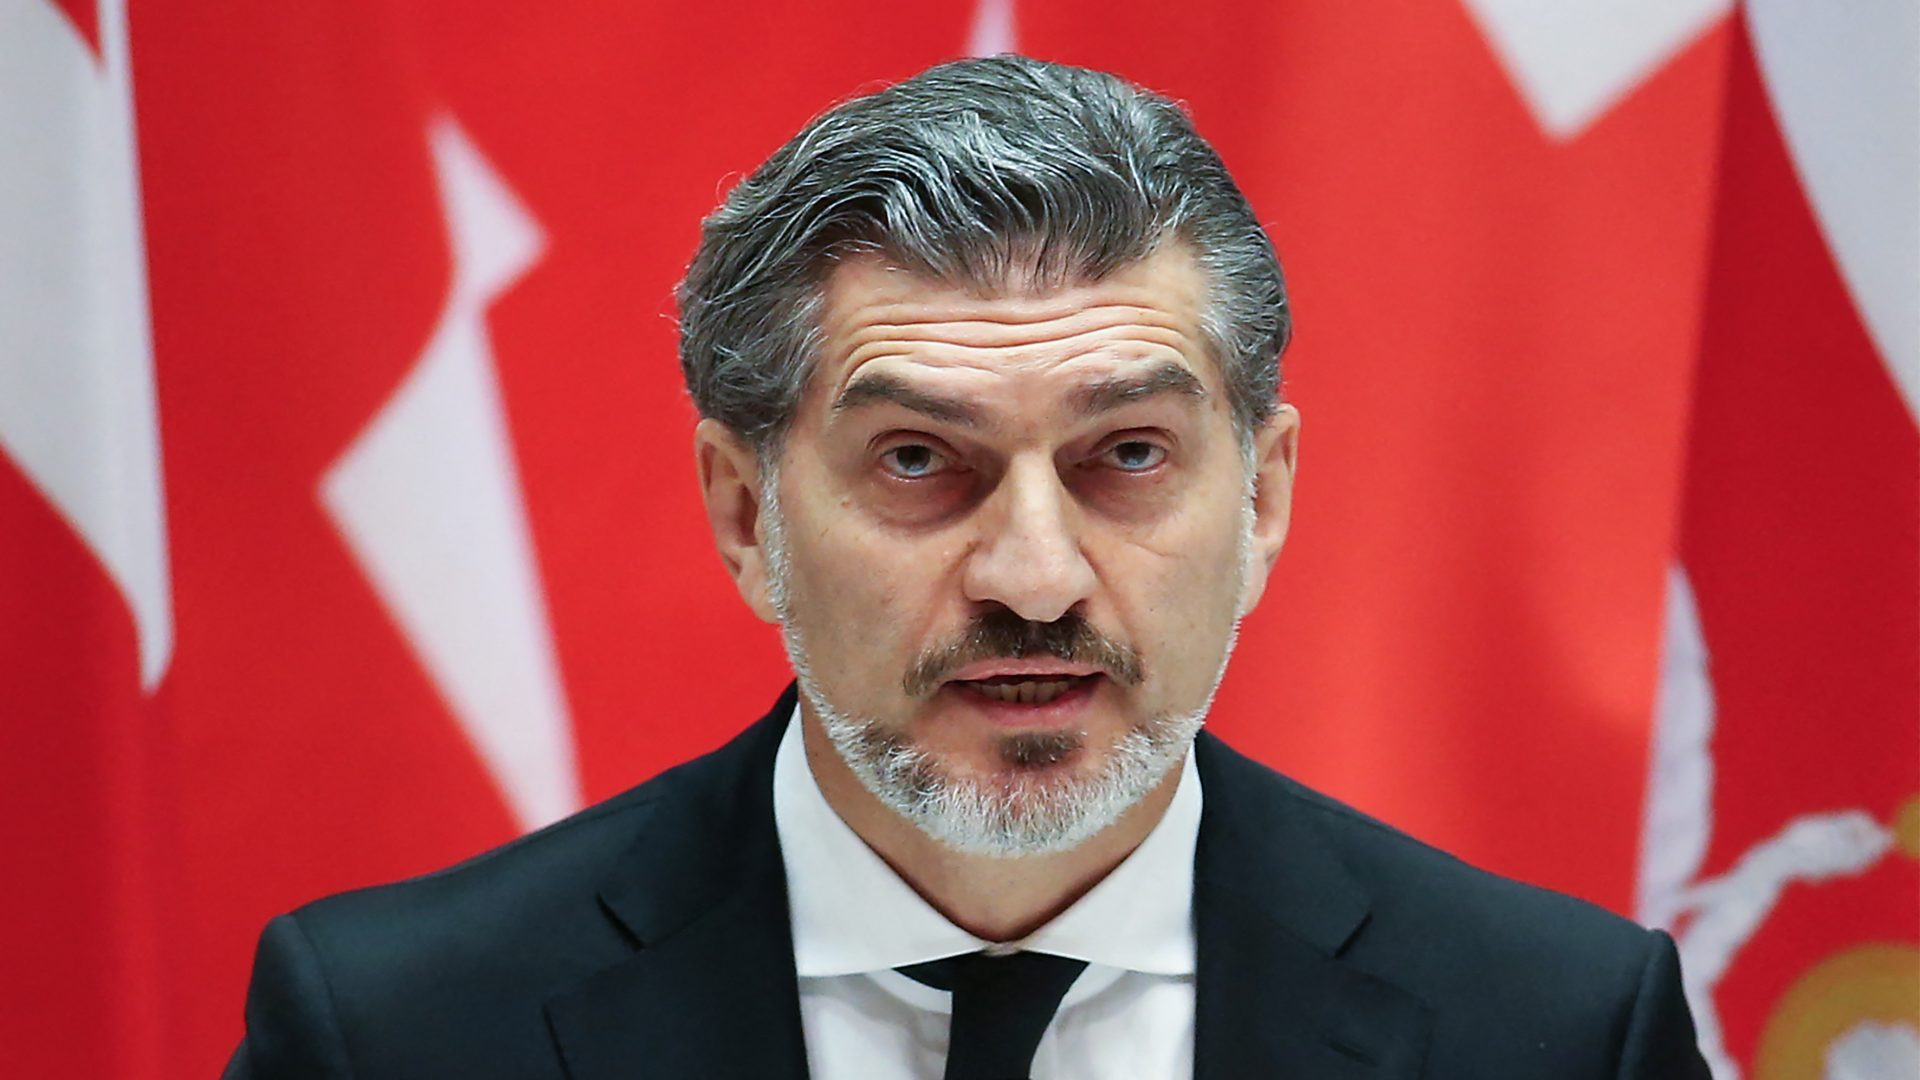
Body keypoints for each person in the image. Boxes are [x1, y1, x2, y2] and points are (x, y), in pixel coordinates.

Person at [224, 56, 1710, 1078]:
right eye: (920, 462)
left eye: (1126, 453)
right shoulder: (400, 1028)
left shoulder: (1552, 1027)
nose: (1036, 576)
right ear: (747, 516)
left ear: (1260, 498)